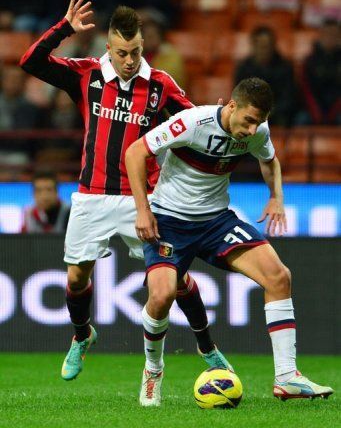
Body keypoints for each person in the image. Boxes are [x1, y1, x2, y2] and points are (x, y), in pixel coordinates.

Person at [20, 0, 227, 382]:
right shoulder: (86, 75)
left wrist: (217, 117)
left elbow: (194, 121)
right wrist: (63, 28)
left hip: (144, 200)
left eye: (135, 52)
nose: (129, 60)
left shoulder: (160, 85)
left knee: (176, 279)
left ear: (142, 47)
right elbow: (29, 61)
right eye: (122, 52)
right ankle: (82, 336)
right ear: (108, 48)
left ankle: (207, 346)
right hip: (92, 194)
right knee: (76, 279)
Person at [125, 77, 334, 406]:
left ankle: (287, 377)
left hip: (215, 222)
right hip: (168, 221)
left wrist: (276, 197)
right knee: (163, 294)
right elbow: (135, 152)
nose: (252, 131)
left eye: (259, 123)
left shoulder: (258, 133)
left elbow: (270, 160)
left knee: (279, 277)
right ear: (231, 106)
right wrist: (142, 210)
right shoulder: (192, 123)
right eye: (249, 120)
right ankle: (153, 368)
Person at [234, 26, 299, 126]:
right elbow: (240, 97)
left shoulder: (285, 68)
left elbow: (288, 98)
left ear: (273, 46)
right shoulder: (243, 69)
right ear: (253, 46)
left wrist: (269, 113)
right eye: (260, 46)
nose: (264, 50)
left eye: (267, 46)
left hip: (278, 115)